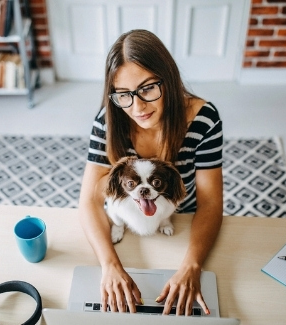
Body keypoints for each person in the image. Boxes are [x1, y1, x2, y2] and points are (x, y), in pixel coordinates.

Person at [78, 29, 223, 317]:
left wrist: (192, 266)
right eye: (124, 95)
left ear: (168, 79)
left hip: (182, 220)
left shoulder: (204, 119)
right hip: (125, 221)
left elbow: (210, 202)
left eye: (147, 89)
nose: (137, 107)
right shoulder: (108, 120)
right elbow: (90, 201)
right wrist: (110, 266)